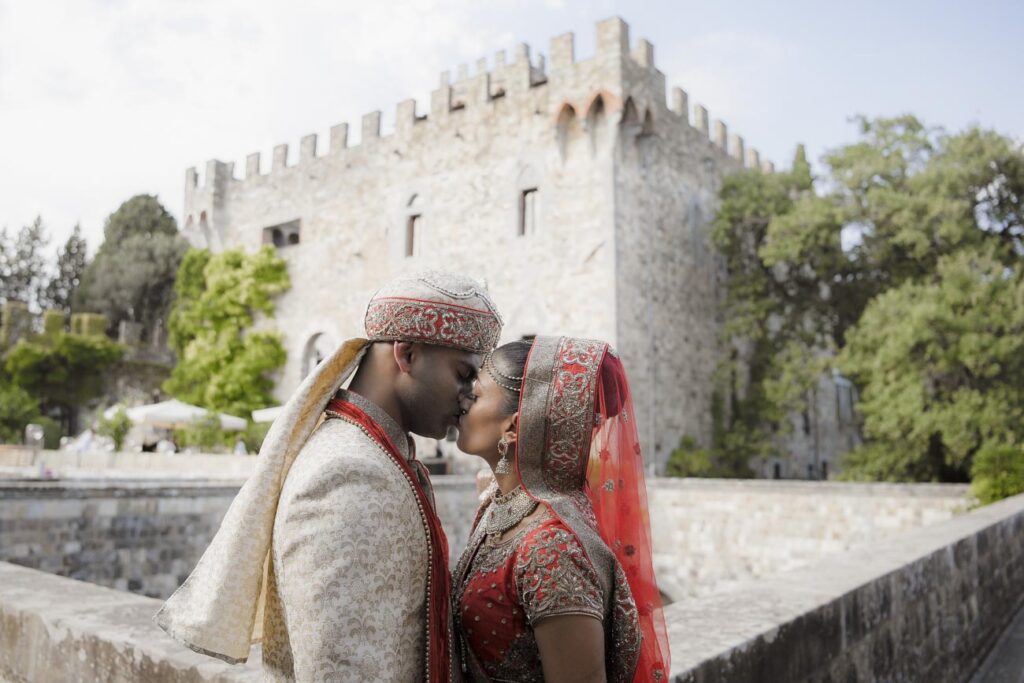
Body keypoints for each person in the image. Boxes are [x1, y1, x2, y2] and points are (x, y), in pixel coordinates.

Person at [155, 270, 503, 682]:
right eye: (463, 374)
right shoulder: (348, 475)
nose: (469, 397)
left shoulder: (374, 455)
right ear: (406, 355)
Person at [453, 336, 669, 682]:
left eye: (475, 395)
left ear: (512, 426)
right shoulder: (503, 508)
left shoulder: (550, 549)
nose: (460, 400)